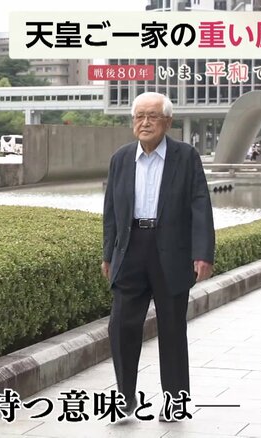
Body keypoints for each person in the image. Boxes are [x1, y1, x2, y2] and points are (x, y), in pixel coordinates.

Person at [101, 92, 215, 421]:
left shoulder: (185, 156)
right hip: (130, 249)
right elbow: (111, 211)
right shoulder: (121, 158)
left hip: (172, 252)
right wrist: (108, 254)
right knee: (121, 326)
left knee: (172, 329)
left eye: (152, 116)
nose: (145, 122)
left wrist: (203, 253)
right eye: (139, 116)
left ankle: (175, 400)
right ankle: (125, 398)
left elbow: (200, 205)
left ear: (167, 121)